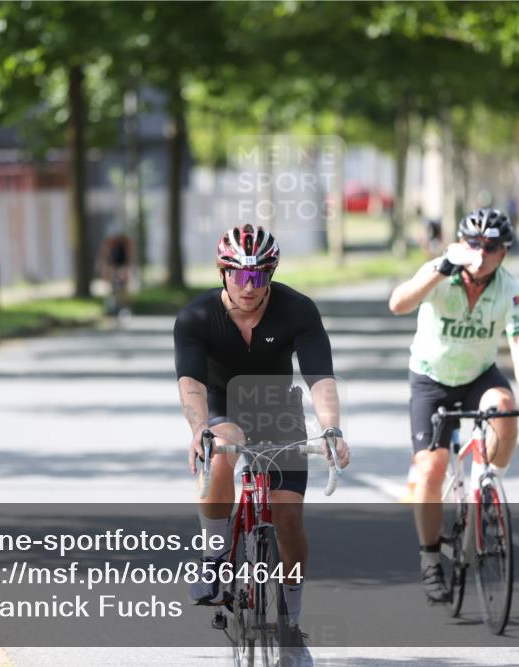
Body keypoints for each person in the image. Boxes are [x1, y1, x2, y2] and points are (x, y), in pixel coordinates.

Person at [174, 223, 351, 666]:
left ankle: (291, 623)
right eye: (238, 274)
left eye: (259, 276)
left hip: (279, 412)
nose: (248, 286)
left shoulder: (297, 310)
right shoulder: (196, 317)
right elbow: (191, 383)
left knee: (288, 515)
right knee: (222, 451)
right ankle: (215, 554)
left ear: (270, 274)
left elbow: (320, 378)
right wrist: (199, 429)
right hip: (223, 407)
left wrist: (331, 427)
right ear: (222, 273)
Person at [387, 207, 519, 604]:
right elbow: (398, 304)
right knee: (431, 467)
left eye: (490, 246)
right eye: (473, 243)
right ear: (461, 244)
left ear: (503, 252)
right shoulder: (439, 272)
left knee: (506, 408)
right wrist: (440, 268)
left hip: (478, 375)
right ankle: (429, 560)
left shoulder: (513, 288)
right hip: (431, 379)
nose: (481, 252)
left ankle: (486, 485)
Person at [98, 227, 134, 316]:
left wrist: (126, 271)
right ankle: (112, 305)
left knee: (124, 286)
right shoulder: (108, 244)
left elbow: (129, 258)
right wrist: (105, 269)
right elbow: (104, 257)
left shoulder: (125, 243)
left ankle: (125, 307)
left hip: (122, 265)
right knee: (111, 285)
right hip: (112, 266)